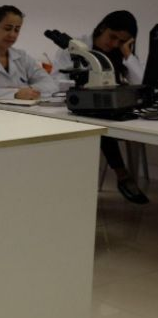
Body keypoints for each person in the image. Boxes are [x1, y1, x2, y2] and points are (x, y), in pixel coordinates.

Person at [54, 11, 147, 204]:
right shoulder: (76, 47)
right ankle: (121, 174)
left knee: (103, 119)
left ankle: (122, 175)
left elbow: (141, 84)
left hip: (108, 109)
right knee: (98, 122)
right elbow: (55, 81)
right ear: (102, 27)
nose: (114, 44)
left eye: (121, 41)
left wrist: (128, 54)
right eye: (112, 37)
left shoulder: (118, 53)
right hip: (77, 112)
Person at [0, 5, 58, 100]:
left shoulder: (22, 57)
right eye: (7, 28)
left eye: (17, 30)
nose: (12, 34)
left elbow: (51, 85)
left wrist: (28, 91)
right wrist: (15, 93)